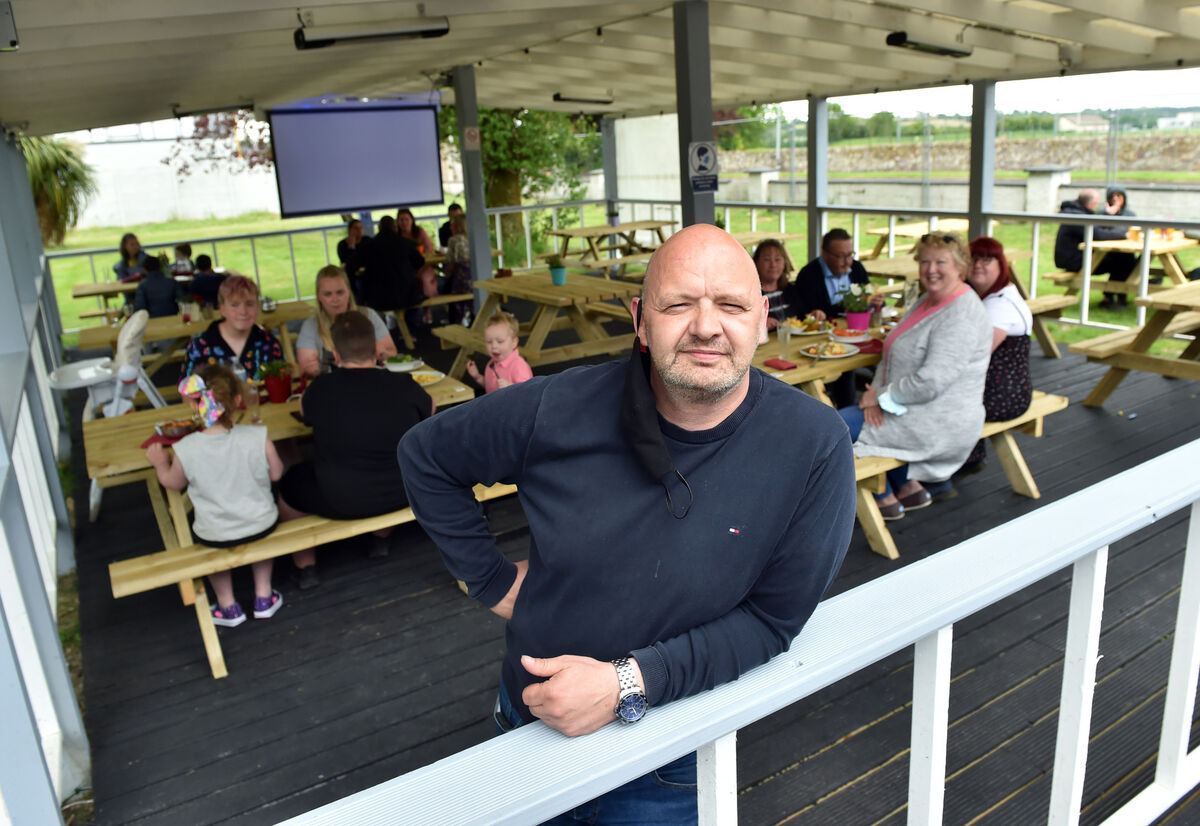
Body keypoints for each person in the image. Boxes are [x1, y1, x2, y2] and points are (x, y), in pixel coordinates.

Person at [397, 223, 855, 823]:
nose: (707, 325)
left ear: (763, 317)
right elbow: (426, 455)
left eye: (731, 305)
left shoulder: (814, 445)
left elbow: (772, 620)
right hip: (531, 722)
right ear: (640, 318)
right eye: (679, 303)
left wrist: (626, 683)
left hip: (671, 750)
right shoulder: (558, 406)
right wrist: (491, 581)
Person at [839, 233, 993, 520]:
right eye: (924, 261)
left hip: (937, 417)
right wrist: (876, 394)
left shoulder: (962, 314)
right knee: (857, 417)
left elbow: (931, 382)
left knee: (834, 428)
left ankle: (881, 496)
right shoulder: (927, 299)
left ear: (960, 266)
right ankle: (908, 489)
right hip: (906, 405)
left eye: (940, 262)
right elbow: (891, 349)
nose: (930, 269)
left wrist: (881, 395)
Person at [280, 311, 433, 589]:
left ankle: (306, 568)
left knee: (288, 485)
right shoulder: (403, 384)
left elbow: (304, 411)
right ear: (376, 350)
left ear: (335, 354)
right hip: (403, 491)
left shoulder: (321, 388)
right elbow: (430, 410)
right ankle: (380, 539)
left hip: (341, 498)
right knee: (386, 459)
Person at [145, 364, 285, 626]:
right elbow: (276, 474)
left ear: (193, 406)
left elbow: (172, 483)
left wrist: (160, 463)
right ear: (238, 400)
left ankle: (227, 605)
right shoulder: (258, 436)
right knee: (262, 528)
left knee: (208, 541)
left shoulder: (186, 448)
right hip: (261, 523)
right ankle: (264, 595)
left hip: (215, 533)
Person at [955, 237, 1033, 478]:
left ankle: (940, 470)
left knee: (938, 399)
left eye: (986, 259)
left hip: (1005, 397)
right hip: (1008, 388)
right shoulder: (999, 295)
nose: (978, 265)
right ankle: (969, 457)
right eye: (973, 259)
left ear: (1000, 265)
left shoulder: (998, 306)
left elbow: (974, 355)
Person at [295, 265, 396, 378]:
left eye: (340, 292)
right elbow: (306, 369)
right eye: (328, 294)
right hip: (331, 388)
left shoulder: (368, 316)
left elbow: (392, 353)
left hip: (370, 381)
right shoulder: (311, 325)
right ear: (319, 296)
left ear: (348, 292)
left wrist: (381, 353)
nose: (335, 299)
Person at [182, 275, 284, 379]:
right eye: (234, 305)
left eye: (249, 304)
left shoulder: (269, 344)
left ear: (257, 306)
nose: (243, 312)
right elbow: (186, 390)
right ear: (222, 309)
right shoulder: (200, 346)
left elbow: (282, 384)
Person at [1053, 188, 1136, 309]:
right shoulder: (1076, 217)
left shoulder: (1077, 212)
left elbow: (1097, 231)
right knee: (1123, 259)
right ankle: (1111, 297)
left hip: (1077, 257)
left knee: (1124, 257)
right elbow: (1098, 235)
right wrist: (1124, 235)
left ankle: (1115, 296)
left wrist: (1108, 215)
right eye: (1097, 202)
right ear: (1091, 203)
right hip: (1072, 261)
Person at [786, 228, 884, 321]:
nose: (847, 262)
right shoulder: (808, 275)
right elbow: (808, 313)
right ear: (825, 254)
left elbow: (869, 296)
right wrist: (854, 304)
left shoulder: (856, 268)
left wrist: (876, 302)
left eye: (850, 254)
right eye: (841, 256)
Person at [351, 215, 432, 315]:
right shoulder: (405, 243)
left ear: (379, 228)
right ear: (395, 228)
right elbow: (420, 262)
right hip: (406, 297)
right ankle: (412, 324)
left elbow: (351, 265)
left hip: (377, 298)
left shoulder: (369, 246)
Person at [464, 311, 533, 393]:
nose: (494, 346)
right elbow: (491, 388)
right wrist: (478, 377)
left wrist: (510, 387)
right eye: (489, 342)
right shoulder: (491, 364)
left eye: (500, 341)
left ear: (514, 342)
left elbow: (528, 393)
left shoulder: (519, 366)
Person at [752, 238, 793, 332]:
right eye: (767, 260)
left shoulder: (792, 290)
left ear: (784, 263)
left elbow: (804, 318)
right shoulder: (750, 295)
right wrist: (760, 325)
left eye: (777, 259)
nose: (773, 264)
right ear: (756, 263)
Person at [443, 212, 473, 324]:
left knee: (444, 288)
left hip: (461, 282)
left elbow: (450, 265)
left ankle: (456, 320)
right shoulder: (473, 238)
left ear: (457, 226)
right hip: (476, 278)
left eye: (452, 224)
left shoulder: (453, 240)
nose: (450, 227)